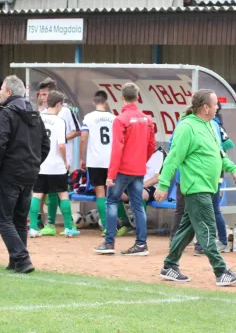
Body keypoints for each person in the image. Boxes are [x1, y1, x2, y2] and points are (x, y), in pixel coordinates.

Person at [155, 89, 236, 286]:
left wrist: (232, 168)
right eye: (215, 104)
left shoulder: (212, 125)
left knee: (187, 229)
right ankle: (221, 272)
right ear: (206, 107)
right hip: (196, 187)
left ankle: (169, 266)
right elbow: (173, 158)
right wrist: (162, 185)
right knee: (207, 228)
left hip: (209, 186)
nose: (218, 107)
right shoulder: (186, 127)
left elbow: (219, 152)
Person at [0, 75, 49, 274]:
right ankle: (16, 260)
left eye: (1, 89)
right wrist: (35, 163)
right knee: (19, 219)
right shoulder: (35, 115)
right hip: (29, 173)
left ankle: (21, 257)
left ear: (9, 92)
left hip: (10, 173)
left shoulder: (6, 113)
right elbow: (45, 144)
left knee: (3, 219)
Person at [93, 82, 155, 256]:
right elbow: (151, 145)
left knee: (112, 201)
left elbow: (117, 148)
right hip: (138, 169)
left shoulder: (120, 120)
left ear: (121, 98)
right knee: (137, 205)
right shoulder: (147, 120)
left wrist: (110, 174)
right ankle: (141, 244)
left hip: (122, 169)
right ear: (138, 96)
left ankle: (109, 242)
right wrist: (141, 160)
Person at [29, 90, 80, 238]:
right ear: (58, 105)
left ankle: (33, 228)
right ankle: (69, 228)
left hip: (40, 164)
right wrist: (65, 162)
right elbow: (61, 145)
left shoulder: (37, 118)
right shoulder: (59, 121)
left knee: (37, 194)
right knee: (63, 194)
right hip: (56, 165)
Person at [193, 102, 235, 255]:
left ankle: (215, 242)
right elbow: (227, 144)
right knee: (209, 209)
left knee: (210, 209)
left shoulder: (212, 125)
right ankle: (214, 242)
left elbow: (224, 147)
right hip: (213, 171)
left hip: (211, 172)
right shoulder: (216, 123)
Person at [80, 90, 115, 235]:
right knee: (112, 193)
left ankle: (106, 227)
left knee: (100, 192)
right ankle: (114, 225)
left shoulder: (88, 118)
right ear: (106, 102)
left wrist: (82, 158)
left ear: (94, 103)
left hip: (95, 160)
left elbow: (83, 138)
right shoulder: (114, 118)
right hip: (111, 160)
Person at [117, 148, 165, 237]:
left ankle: (138, 226)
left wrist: (141, 185)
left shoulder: (160, 153)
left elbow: (158, 178)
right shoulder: (137, 150)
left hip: (152, 187)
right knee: (115, 193)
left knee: (140, 193)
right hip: (135, 183)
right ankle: (126, 223)